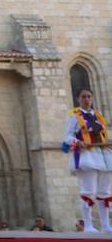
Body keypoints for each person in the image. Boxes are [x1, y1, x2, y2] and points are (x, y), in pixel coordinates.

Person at [63, 88, 111, 233]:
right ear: (78, 99)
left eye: (89, 96)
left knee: (104, 191)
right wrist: (77, 142)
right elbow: (67, 136)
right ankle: (88, 225)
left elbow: (102, 134)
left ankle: (105, 225)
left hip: (103, 155)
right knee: (88, 190)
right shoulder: (74, 116)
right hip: (86, 155)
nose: (87, 99)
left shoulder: (98, 115)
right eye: (83, 96)